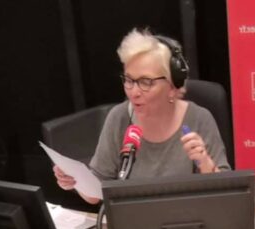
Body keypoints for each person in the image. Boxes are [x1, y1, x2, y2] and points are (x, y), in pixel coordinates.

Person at [53, 29, 230, 204]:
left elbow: (227, 195)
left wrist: (205, 163)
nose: (134, 92)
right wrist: (74, 181)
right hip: (132, 226)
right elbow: (96, 191)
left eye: (146, 82)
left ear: (172, 86)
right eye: (129, 80)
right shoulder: (119, 117)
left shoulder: (199, 118)